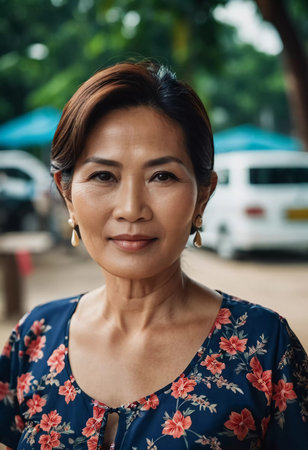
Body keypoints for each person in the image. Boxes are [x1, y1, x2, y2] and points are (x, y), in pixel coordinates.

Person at [0, 61, 307, 450]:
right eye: (103, 176)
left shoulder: (264, 349)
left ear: (203, 195)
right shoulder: (34, 339)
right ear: (67, 195)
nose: (131, 208)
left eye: (162, 176)